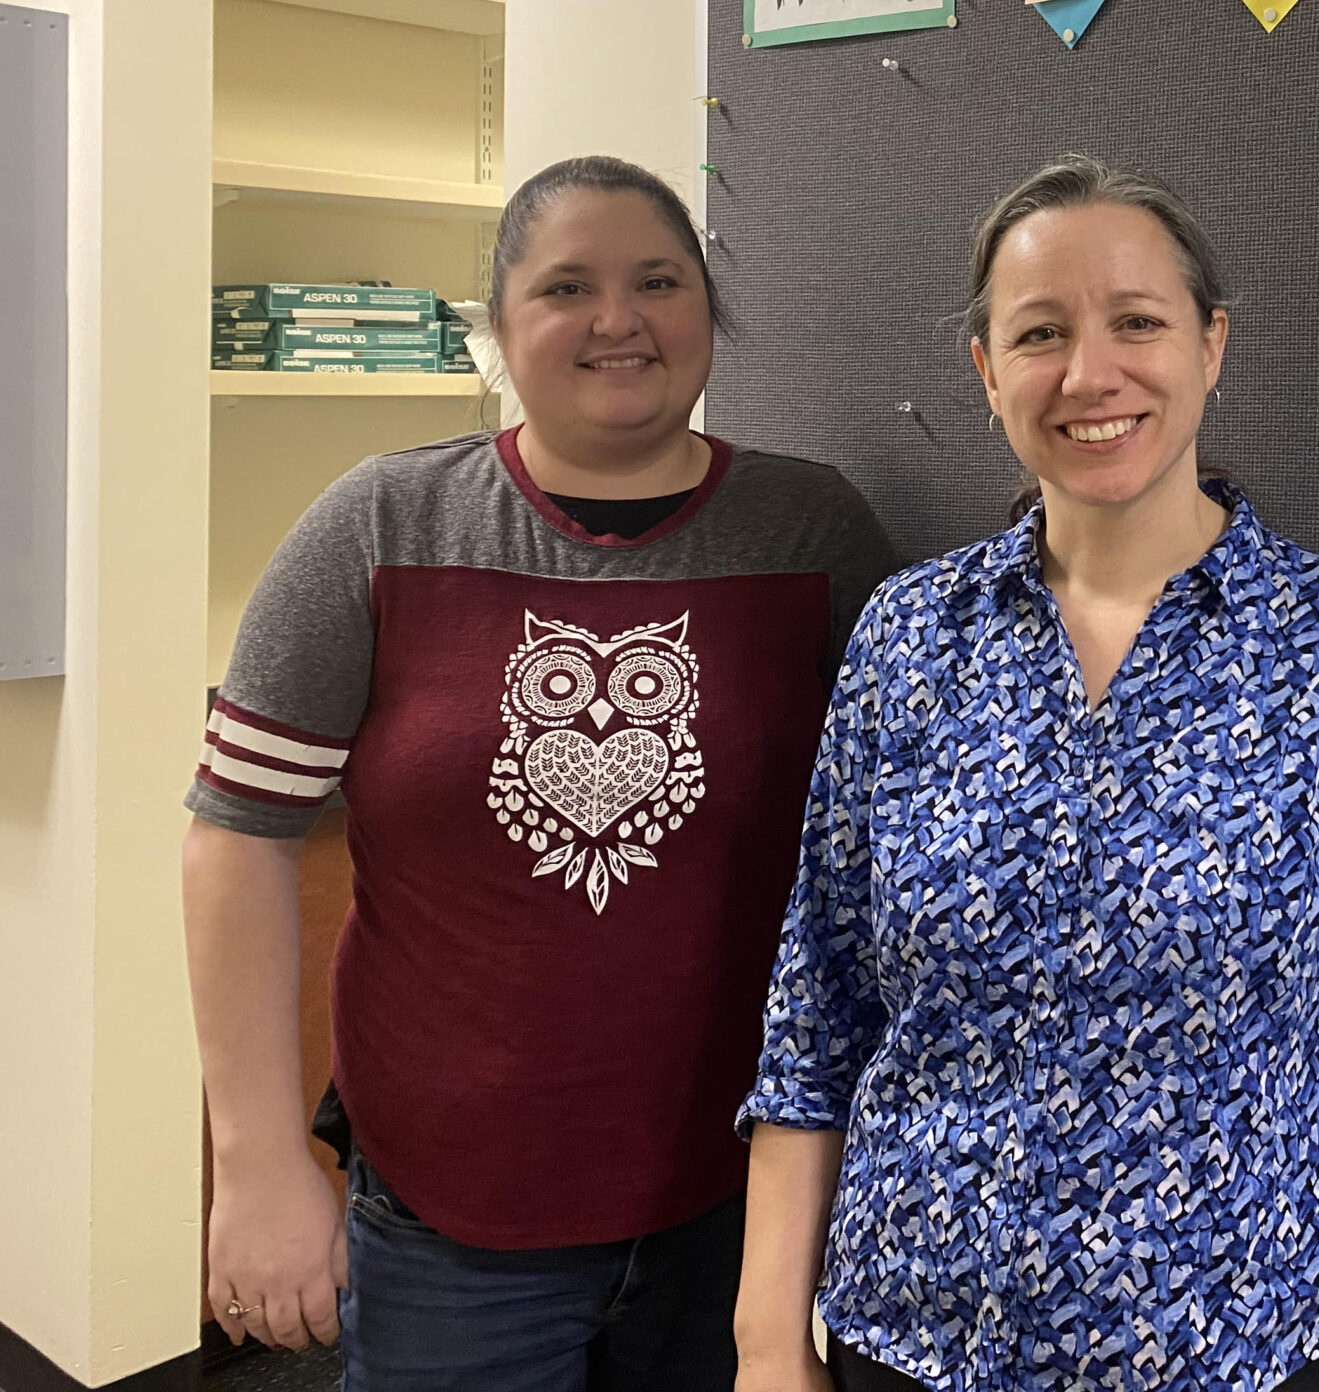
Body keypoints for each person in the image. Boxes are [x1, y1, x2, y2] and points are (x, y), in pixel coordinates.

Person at [734, 156, 1319, 1392]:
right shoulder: (909, 635)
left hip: (1245, 1349)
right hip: (913, 1340)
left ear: (1211, 346)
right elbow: (817, 1005)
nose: (1091, 373)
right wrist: (766, 1341)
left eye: (1137, 321)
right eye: (1040, 333)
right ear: (986, 372)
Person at [183, 156, 897, 1387]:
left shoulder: (813, 537)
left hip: (734, 1202)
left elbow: (890, 852)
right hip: (450, 1223)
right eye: (568, 287)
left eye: (659, 281)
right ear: (501, 330)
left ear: (709, 315)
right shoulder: (381, 525)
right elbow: (235, 837)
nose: (618, 319)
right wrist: (255, 1159)